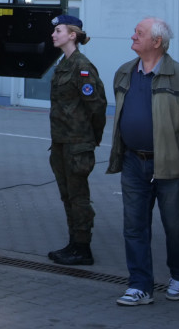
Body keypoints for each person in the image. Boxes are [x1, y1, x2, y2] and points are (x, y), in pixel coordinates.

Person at [107, 17, 179, 307]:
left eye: (139, 33)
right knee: (134, 226)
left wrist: (176, 147)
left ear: (157, 42)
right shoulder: (124, 73)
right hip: (132, 163)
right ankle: (140, 286)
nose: (133, 35)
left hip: (172, 166)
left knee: (176, 227)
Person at [46, 14, 107, 267]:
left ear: (72, 35)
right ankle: (74, 243)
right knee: (67, 195)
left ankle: (83, 247)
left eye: (58, 31)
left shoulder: (82, 66)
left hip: (77, 144)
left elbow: (97, 107)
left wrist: (90, 140)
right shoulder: (64, 64)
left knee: (78, 196)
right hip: (61, 142)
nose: (53, 35)